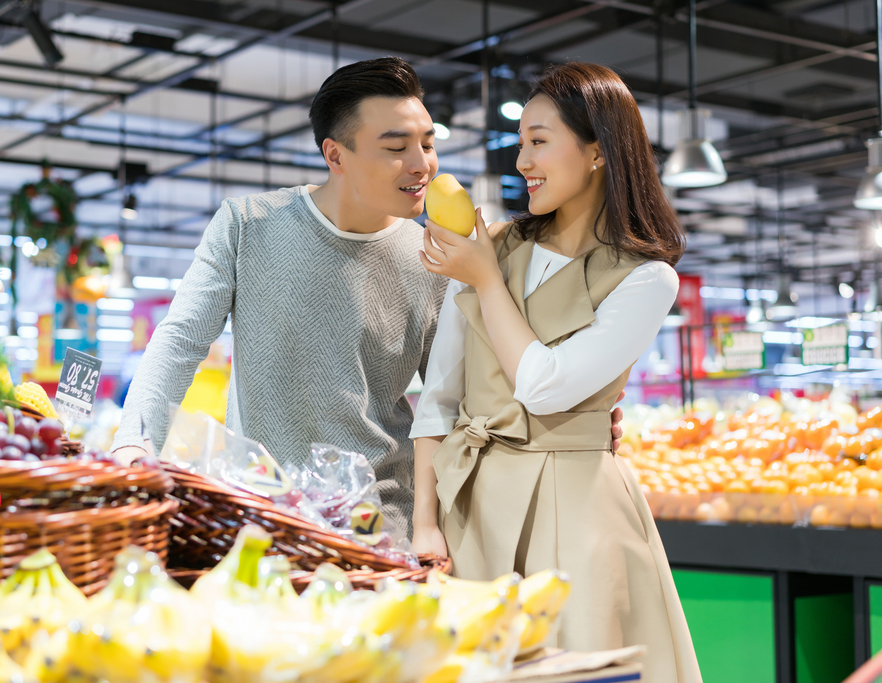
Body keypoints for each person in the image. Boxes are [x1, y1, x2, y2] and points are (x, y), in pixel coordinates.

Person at [112, 56, 625, 539]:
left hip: (383, 523)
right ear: (336, 155)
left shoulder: (439, 258)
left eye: (427, 142)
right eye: (396, 147)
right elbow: (179, 342)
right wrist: (133, 442)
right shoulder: (248, 226)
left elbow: (458, 397)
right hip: (262, 511)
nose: (421, 164)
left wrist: (571, 420)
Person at [409, 62, 702, 682]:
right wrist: (426, 522)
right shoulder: (496, 243)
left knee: (577, 662)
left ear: (597, 150)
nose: (523, 162)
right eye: (521, 144)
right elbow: (439, 397)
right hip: (471, 506)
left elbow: (545, 387)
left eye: (539, 141)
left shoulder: (644, 277)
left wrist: (486, 280)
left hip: (578, 512)